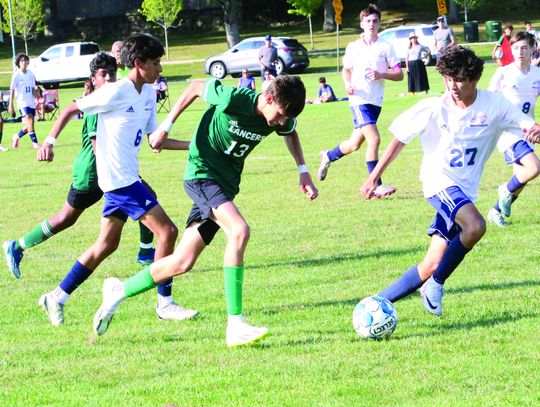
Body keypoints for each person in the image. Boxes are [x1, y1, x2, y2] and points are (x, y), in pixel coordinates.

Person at [90, 75, 319, 347]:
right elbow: (196, 87)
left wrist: (303, 171)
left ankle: (118, 292)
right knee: (239, 230)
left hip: (225, 185)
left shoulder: (279, 117)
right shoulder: (234, 99)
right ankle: (235, 325)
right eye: (280, 115)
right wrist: (165, 125)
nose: (280, 122)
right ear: (268, 98)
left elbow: (290, 131)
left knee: (182, 262)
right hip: (202, 175)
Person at [359, 46, 540, 315]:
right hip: (438, 182)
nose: (452, 86)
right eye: (448, 78)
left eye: (459, 79)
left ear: (474, 79)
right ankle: (436, 285)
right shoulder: (432, 107)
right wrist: (374, 176)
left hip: (464, 192)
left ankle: (374, 304)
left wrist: (535, 130)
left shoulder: (495, 105)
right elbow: (399, 139)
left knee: (432, 263)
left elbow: (526, 124)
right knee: (476, 225)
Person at [34, 35, 197, 325]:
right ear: (138, 64)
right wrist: (49, 141)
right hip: (120, 181)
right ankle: (165, 303)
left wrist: (195, 145)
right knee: (168, 233)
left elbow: (155, 141)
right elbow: (72, 108)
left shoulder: (147, 93)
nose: (160, 69)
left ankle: (57, 296)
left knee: (106, 245)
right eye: (156, 63)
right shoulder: (115, 91)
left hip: (125, 178)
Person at [317, 3, 403, 198]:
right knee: (374, 139)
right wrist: (347, 83)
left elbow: (399, 74)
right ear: (362, 24)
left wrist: (382, 74)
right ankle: (376, 185)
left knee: (354, 144)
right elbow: (346, 69)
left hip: (376, 101)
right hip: (358, 99)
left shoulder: (386, 47)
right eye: (368, 21)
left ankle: (328, 155)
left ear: (379, 23)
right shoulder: (353, 47)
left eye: (375, 21)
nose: (372, 24)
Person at [486, 32, 540, 227]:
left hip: (528, 130)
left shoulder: (537, 74)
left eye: (524, 48)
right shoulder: (503, 73)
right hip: (507, 131)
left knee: (521, 178)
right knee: (534, 168)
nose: (519, 52)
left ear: (533, 49)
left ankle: (495, 211)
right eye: (516, 48)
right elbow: (488, 100)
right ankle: (504, 191)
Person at [9, 53, 40, 149]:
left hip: (30, 101)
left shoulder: (31, 74)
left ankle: (16, 136)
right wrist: (11, 104)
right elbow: (12, 90)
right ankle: (35, 143)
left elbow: (32, 89)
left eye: (25, 60)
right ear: (18, 63)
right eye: (22, 61)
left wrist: (37, 95)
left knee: (29, 125)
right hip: (22, 102)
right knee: (30, 119)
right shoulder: (16, 75)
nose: (24, 62)